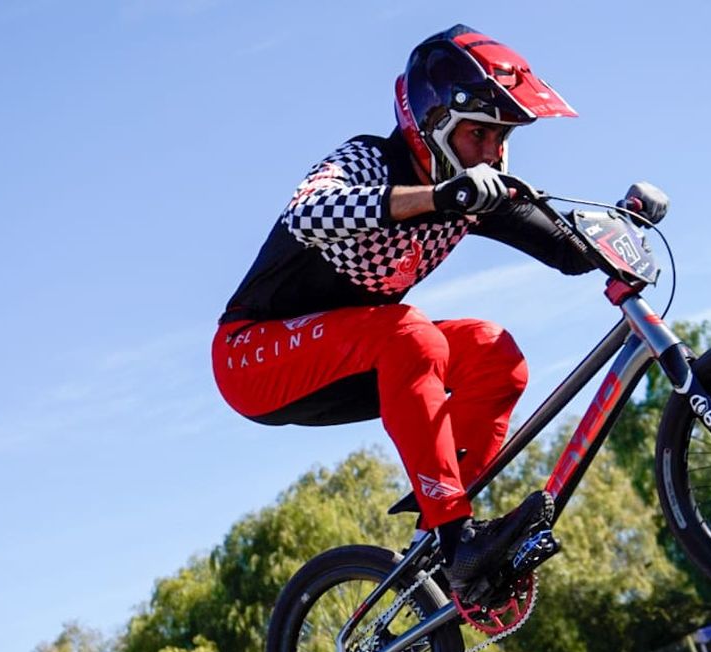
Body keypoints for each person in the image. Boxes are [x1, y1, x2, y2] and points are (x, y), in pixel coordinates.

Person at [211, 23, 670, 598]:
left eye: (502, 137)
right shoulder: (372, 159)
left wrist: (625, 222)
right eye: (480, 134)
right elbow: (308, 212)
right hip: (252, 358)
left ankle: (440, 540)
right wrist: (436, 198)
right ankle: (457, 539)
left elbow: (567, 250)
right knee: (411, 333)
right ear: (433, 125)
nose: (493, 154)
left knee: (494, 353)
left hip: (358, 354)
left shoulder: (474, 193)